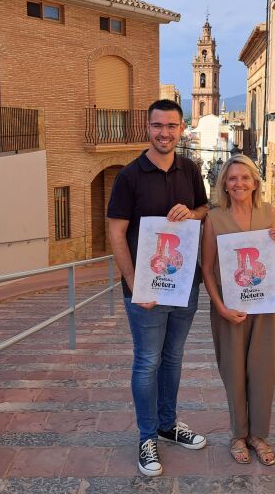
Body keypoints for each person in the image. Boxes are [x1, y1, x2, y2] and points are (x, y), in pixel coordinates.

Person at [107, 99, 209, 477]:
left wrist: (192, 212)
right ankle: (147, 436)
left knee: (173, 358)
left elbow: (204, 210)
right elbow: (116, 232)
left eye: (171, 126)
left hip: (184, 285)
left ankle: (168, 424)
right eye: (157, 126)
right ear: (147, 128)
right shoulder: (129, 176)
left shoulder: (191, 169)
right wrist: (134, 284)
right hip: (145, 290)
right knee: (147, 361)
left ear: (181, 129)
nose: (164, 133)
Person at [200, 154, 275, 466]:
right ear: (224, 182)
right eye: (232, 178)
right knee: (234, 371)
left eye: (245, 178)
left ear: (255, 182)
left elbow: (269, 259)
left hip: (265, 304)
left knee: (263, 370)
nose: (239, 183)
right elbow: (207, 269)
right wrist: (220, 307)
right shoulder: (214, 218)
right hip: (230, 305)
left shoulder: (269, 212)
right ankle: (238, 434)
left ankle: (258, 435)